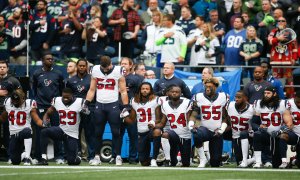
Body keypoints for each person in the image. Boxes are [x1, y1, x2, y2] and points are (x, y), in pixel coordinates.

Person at [85, 56, 129, 166]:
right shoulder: (94, 70)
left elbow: (123, 91)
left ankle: (118, 156)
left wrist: (126, 105)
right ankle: (96, 157)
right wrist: (86, 102)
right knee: (98, 132)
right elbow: (92, 89)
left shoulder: (118, 70)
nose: (105, 70)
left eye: (107, 67)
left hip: (113, 104)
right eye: (103, 68)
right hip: (99, 104)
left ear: (111, 64)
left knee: (116, 132)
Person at [31, 51, 64, 164]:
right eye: (48, 59)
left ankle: (59, 156)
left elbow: (61, 90)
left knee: (57, 131)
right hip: (40, 106)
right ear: (43, 60)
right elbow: (34, 89)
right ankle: (38, 157)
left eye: (52, 59)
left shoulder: (58, 73)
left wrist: (57, 103)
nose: (51, 60)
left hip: (54, 107)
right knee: (39, 132)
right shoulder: (36, 73)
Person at [190, 77, 230, 167]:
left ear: (216, 87)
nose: (207, 88)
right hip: (205, 129)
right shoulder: (198, 96)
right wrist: (191, 125)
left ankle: (213, 159)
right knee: (196, 134)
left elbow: (225, 117)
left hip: (217, 131)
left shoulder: (223, 97)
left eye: (210, 86)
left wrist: (221, 130)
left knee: (215, 163)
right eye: (206, 86)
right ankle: (203, 159)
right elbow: (194, 114)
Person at [39, 88, 85, 165]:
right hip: (61, 131)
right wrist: (45, 120)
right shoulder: (57, 100)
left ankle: (77, 157)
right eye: (64, 97)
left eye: (68, 97)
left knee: (71, 161)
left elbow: (86, 115)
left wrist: (85, 112)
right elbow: (48, 113)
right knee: (44, 131)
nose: (65, 99)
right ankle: (43, 158)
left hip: (72, 135)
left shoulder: (80, 102)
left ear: (72, 96)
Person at [0, 89, 44, 165]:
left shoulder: (29, 103)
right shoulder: (7, 102)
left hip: (25, 132)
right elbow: (3, 117)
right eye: (13, 100)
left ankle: (27, 157)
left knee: (27, 131)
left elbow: (36, 120)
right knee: (15, 161)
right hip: (13, 134)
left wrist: (44, 124)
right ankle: (23, 155)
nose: (15, 102)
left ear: (23, 98)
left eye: (17, 101)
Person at [252, 86, 293, 168]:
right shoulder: (258, 104)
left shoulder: (282, 104)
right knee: (257, 134)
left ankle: (283, 161)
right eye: (265, 93)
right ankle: (258, 162)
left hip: (278, 136)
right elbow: (253, 123)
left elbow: (289, 124)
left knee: (276, 164)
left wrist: (280, 131)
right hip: (266, 134)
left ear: (274, 94)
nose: (266, 95)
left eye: (268, 93)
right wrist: (259, 127)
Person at [124, 82, 161, 166]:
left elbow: (159, 118)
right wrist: (124, 117)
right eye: (143, 89)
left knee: (157, 132)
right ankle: (149, 159)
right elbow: (132, 120)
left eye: (147, 89)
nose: (145, 91)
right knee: (143, 162)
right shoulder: (134, 101)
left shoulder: (156, 100)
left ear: (151, 90)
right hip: (141, 131)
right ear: (140, 90)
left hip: (152, 129)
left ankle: (155, 158)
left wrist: (154, 123)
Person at [155, 84, 193, 167]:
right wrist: (154, 126)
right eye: (172, 92)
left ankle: (178, 159)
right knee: (165, 134)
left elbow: (190, 118)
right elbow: (162, 123)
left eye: (177, 92)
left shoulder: (187, 103)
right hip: (173, 135)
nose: (174, 93)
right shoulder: (164, 104)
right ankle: (167, 160)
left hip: (185, 136)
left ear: (181, 93)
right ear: (168, 93)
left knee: (186, 164)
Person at [65, 59, 95, 161]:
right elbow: (68, 95)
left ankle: (91, 156)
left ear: (86, 67)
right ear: (77, 66)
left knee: (89, 133)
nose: (82, 67)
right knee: (75, 133)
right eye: (80, 66)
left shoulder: (92, 79)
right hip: (75, 110)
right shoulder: (70, 80)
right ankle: (76, 155)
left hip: (89, 109)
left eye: (84, 66)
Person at [118, 57, 143, 164]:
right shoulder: (115, 77)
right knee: (117, 135)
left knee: (133, 135)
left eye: (125, 64)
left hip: (131, 110)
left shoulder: (137, 79)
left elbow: (142, 93)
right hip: (117, 108)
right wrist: (118, 90)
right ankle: (116, 156)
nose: (123, 65)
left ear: (131, 65)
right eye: (121, 63)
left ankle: (133, 157)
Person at [268, 16, 298, 98]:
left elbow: (295, 48)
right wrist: (278, 38)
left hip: (287, 61)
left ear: (286, 23)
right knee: (275, 82)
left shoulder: (290, 33)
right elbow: (270, 41)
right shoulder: (273, 32)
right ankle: (275, 98)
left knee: (289, 82)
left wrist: (294, 59)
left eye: (282, 21)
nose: (280, 22)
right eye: (279, 21)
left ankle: (290, 99)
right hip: (275, 61)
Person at [0, 60, 21, 162]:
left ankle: (10, 155)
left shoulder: (13, 80)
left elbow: (21, 94)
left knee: (8, 133)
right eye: (0, 67)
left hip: (8, 110)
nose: (2, 68)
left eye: (4, 67)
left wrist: (12, 96)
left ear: (7, 68)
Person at [226, 90, 254, 167]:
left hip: (248, 136)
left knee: (243, 133)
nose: (236, 99)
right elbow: (225, 118)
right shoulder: (230, 106)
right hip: (235, 136)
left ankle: (252, 155)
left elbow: (256, 123)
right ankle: (252, 159)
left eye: (239, 97)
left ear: (245, 98)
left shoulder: (252, 109)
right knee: (239, 162)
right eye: (236, 97)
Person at [280, 91, 300, 168]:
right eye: (298, 102)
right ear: (295, 98)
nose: (299, 104)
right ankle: (284, 162)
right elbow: (289, 123)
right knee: (283, 136)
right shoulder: (288, 104)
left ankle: (294, 160)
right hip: (294, 134)